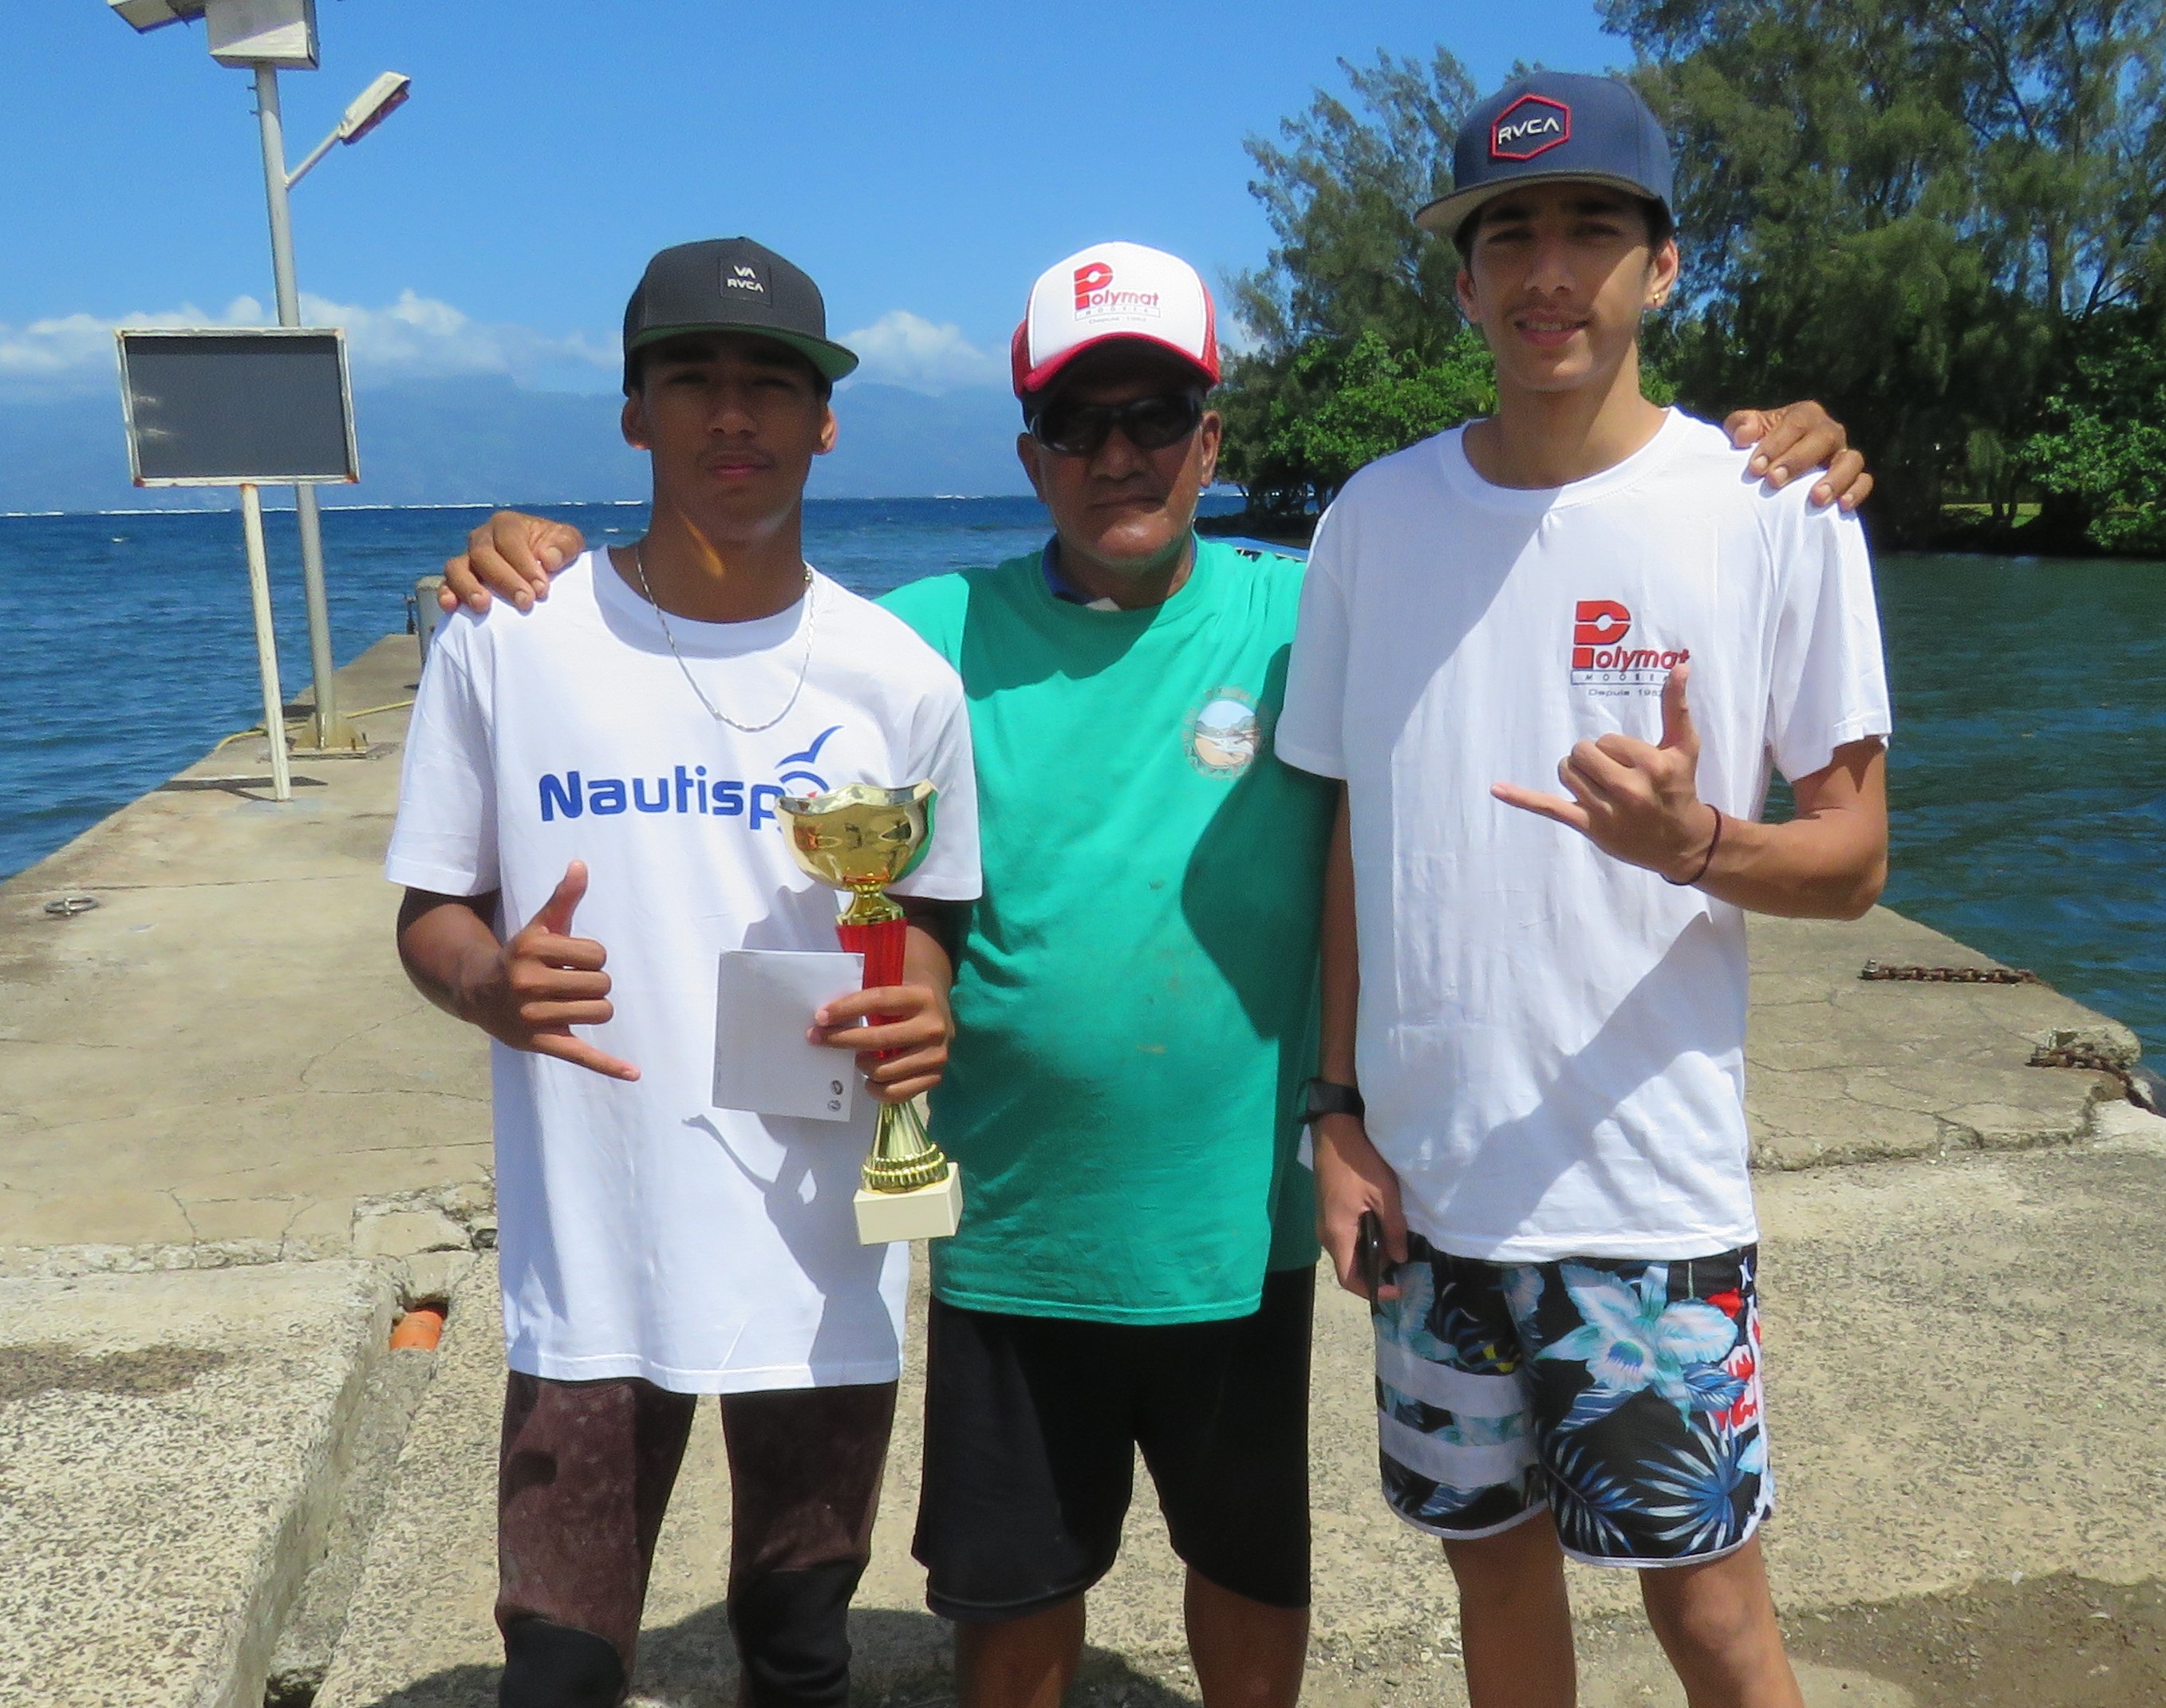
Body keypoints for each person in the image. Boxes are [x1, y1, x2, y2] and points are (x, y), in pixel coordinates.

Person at [438, 245, 1870, 1708]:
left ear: (1211, 440)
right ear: (1027, 452)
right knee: (1013, 1619)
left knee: (1250, 1583)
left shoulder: (1317, 604)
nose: (1116, 454)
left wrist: (1748, 452)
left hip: (1233, 1232)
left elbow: (1526, 538)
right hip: (1010, 1237)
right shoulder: (921, 639)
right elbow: (741, 617)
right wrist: (534, 557)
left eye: (1153, 417)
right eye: (1076, 424)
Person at [1280, 73, 1893, 1708]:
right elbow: (1355, 833)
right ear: (1464, 277)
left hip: (1648, 1188)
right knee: (1496, 1592)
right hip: (1431, 1184)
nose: (1551, 269)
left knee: (1710, 1616)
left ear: (1665, 265)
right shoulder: (1372, 521)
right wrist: (1335, 1113)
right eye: (1511, 233)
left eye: (1592, 228)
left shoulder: (1772, 510)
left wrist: (1699, 847)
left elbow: (1853, 857)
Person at [387, 236, 981, 1708]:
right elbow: (429, 913)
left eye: (770, 384)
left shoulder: (897, 676)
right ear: (633, 410)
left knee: (801, 1646)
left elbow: (927, 921)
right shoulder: (509, 642)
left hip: (815, 1249)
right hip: (597, 1242)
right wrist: (487, 984)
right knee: (561, 1662)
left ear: (824, 420)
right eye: (693, 381)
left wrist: (924, 1005)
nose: (734, 415)